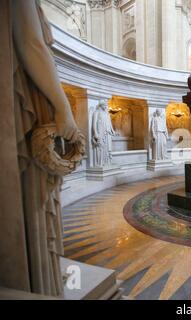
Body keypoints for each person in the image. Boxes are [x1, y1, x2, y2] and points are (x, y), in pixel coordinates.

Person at [0, 0, 84, 297]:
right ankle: (37, 281)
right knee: (32, 198)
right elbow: (32, 43)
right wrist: (63, 108)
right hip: (27, 112)